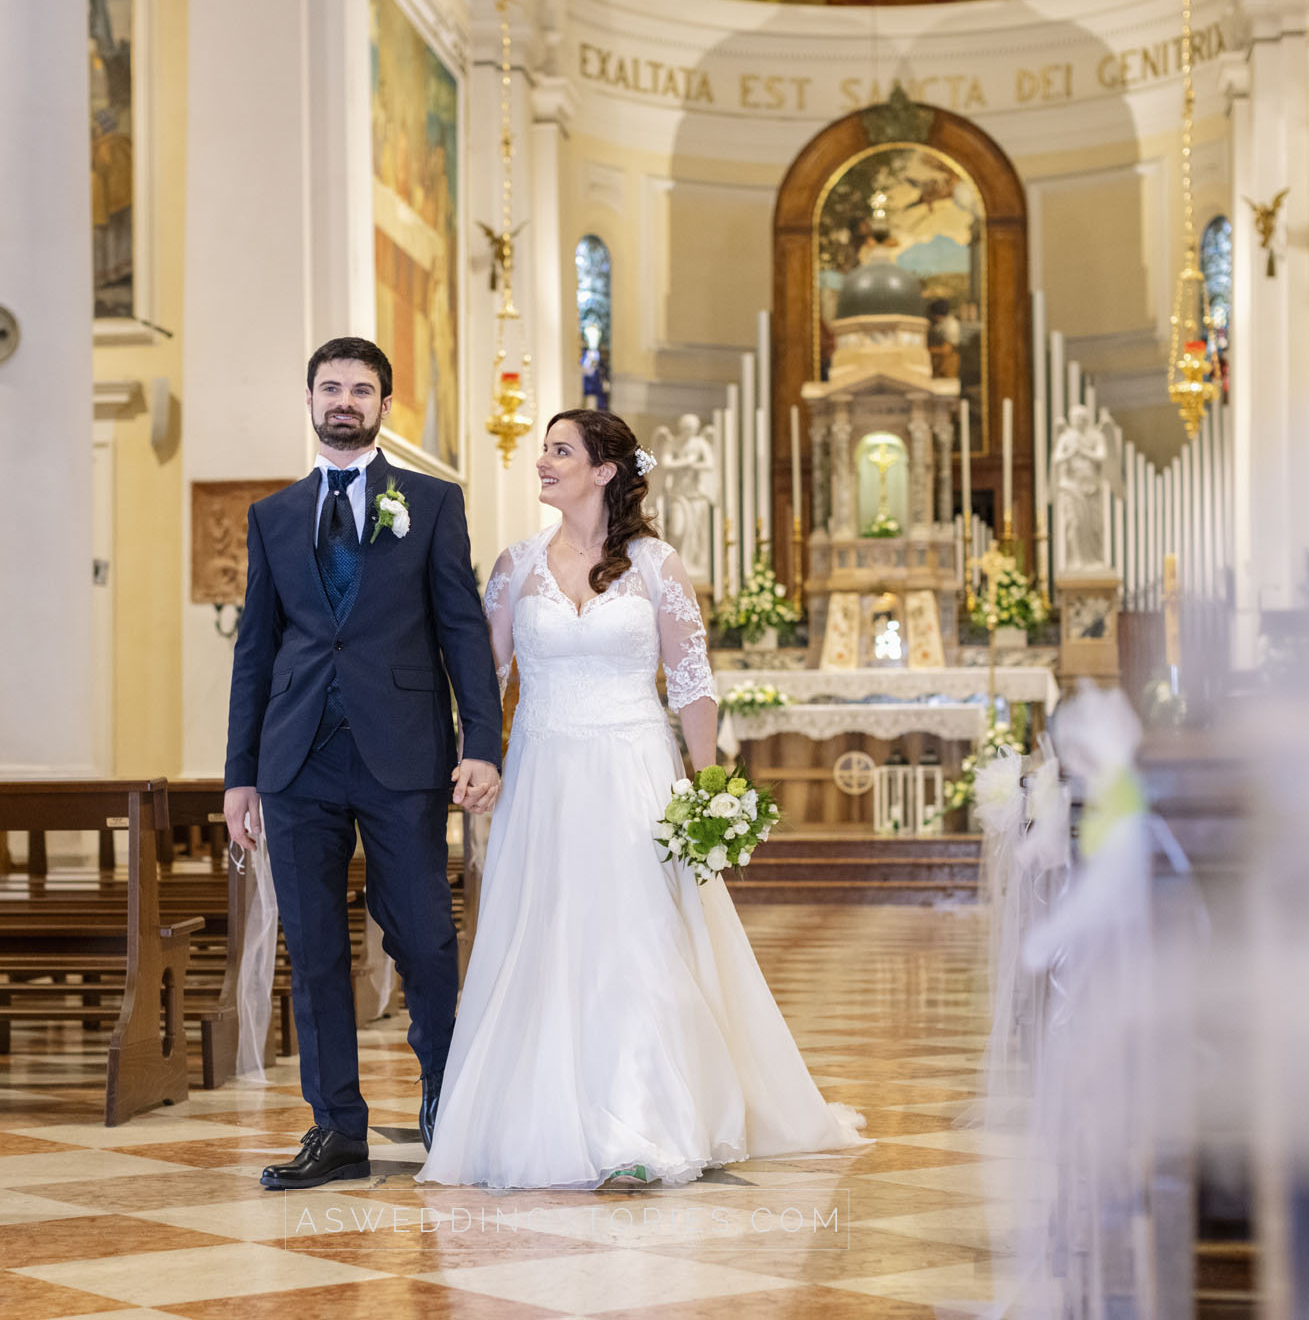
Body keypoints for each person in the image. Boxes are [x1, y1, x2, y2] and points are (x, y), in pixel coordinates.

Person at [417, 408, 867, 1189]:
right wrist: (475, 756)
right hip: (546, 774)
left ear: (604, 471)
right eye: (544, 450)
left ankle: (642, 1117)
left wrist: (709, 787)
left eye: (561, 451)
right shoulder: (515, 566)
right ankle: (539, 1114)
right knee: (546, 933)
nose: (544, 462)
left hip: (636, 774)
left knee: (635, 938)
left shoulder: (658, 566)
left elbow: (691, 682)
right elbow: (483, 680)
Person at [222, 337, 502, 1191]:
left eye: (362, 389)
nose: (345, 401)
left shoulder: (432, 502)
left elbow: (461, 628)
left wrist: (481, 743)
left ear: (385, 404)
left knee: (421, 935)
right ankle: (336, 1129)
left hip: (402, 752)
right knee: (312, 950)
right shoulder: (273, 516)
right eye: (331, 387)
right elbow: (256, 651)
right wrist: (239, 774)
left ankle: (444, 1103)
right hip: (297, 756)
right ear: (309, 398)